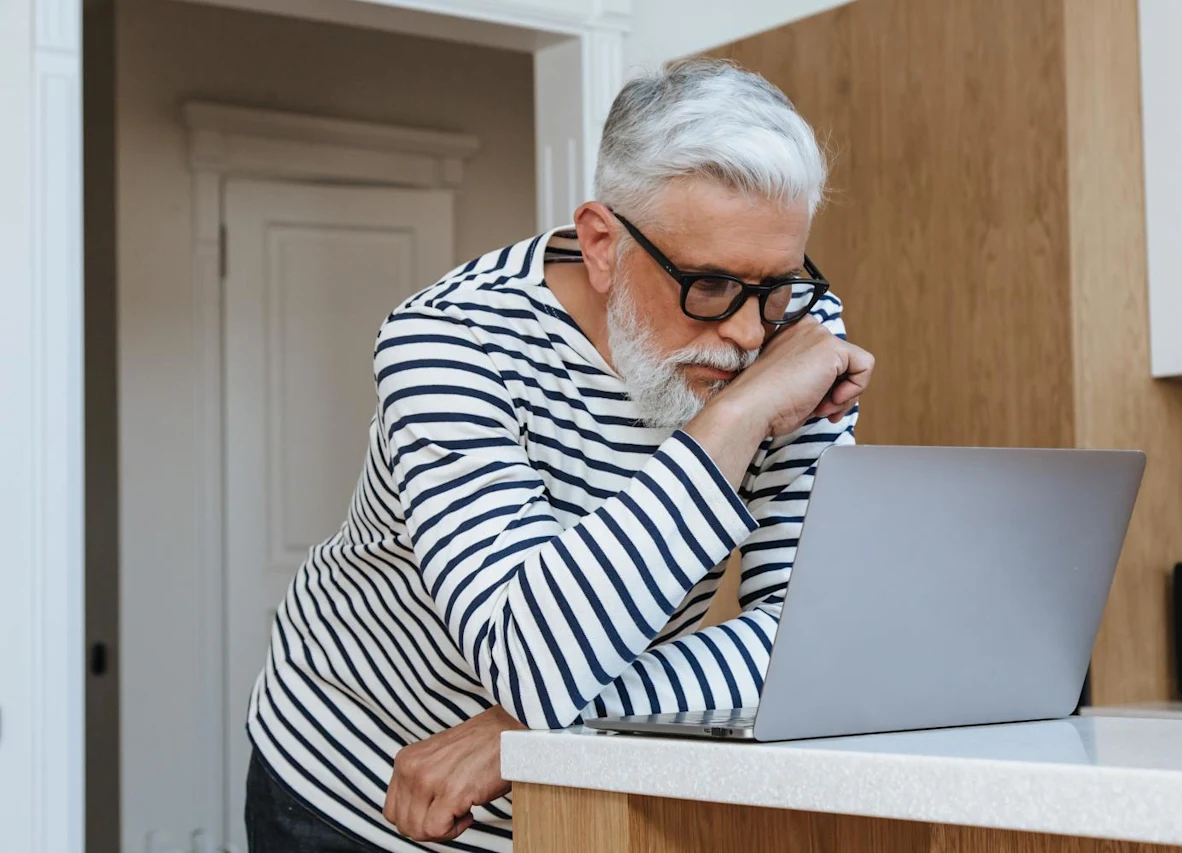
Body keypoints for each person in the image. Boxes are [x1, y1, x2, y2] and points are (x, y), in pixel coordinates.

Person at [243, 58, 875, 852]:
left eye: (777, 286)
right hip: (357, 774)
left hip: (574, 778)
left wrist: (516, 736)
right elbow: (533, 661)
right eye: (708, 285)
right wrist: (740, 416)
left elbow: (811, 641)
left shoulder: (796, 336)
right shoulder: (449, 343)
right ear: (603, 244)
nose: (750, 334)